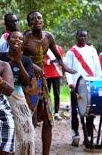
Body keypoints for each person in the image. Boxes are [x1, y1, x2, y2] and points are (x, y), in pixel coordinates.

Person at [23, 10, 76, 155]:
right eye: (33, 19)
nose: (37, 20)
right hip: (28, 83)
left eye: (39, 18)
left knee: (48, 120)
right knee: (28, 120)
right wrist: (32, 65)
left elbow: (58, 56)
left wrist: (64, 67)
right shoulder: (25, 38)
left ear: (43, 20)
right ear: (29, 23)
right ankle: (27, 151)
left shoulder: (48, 36)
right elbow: (16, 56)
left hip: (42, 82)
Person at [0, 31, 35, 155]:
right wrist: (13, 61)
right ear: (8, 40)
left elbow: (26, 82)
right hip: (0, 95)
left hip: (18, 96)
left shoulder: (27, 60)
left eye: (20, 38)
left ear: (23, 43)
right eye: (14, 37)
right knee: (4, 131)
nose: (17, 40)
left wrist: (19, 61)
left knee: (26, 129)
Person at [65, 30, 102, 147]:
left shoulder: (92, 50)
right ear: (76, 37)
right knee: (75, 111)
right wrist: (71, 83)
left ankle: (89, 135)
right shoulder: (71, 52)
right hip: (76, 86)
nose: (83, 38)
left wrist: (98, 81)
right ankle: (75, 134)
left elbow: (97, 66)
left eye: (85, 36)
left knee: (90, 111)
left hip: (91, 85)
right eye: (80, 35)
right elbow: (68, 69)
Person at [44, 44, 65, 121]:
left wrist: (63, 72)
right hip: (46, 74)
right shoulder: (44, 47)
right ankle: (46, 112)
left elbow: (62, 59)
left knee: (57, 94)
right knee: (46, 94)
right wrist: (50, 61)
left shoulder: (58, 48)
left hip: (57, 74)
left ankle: (56, 113)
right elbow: (42, 60)